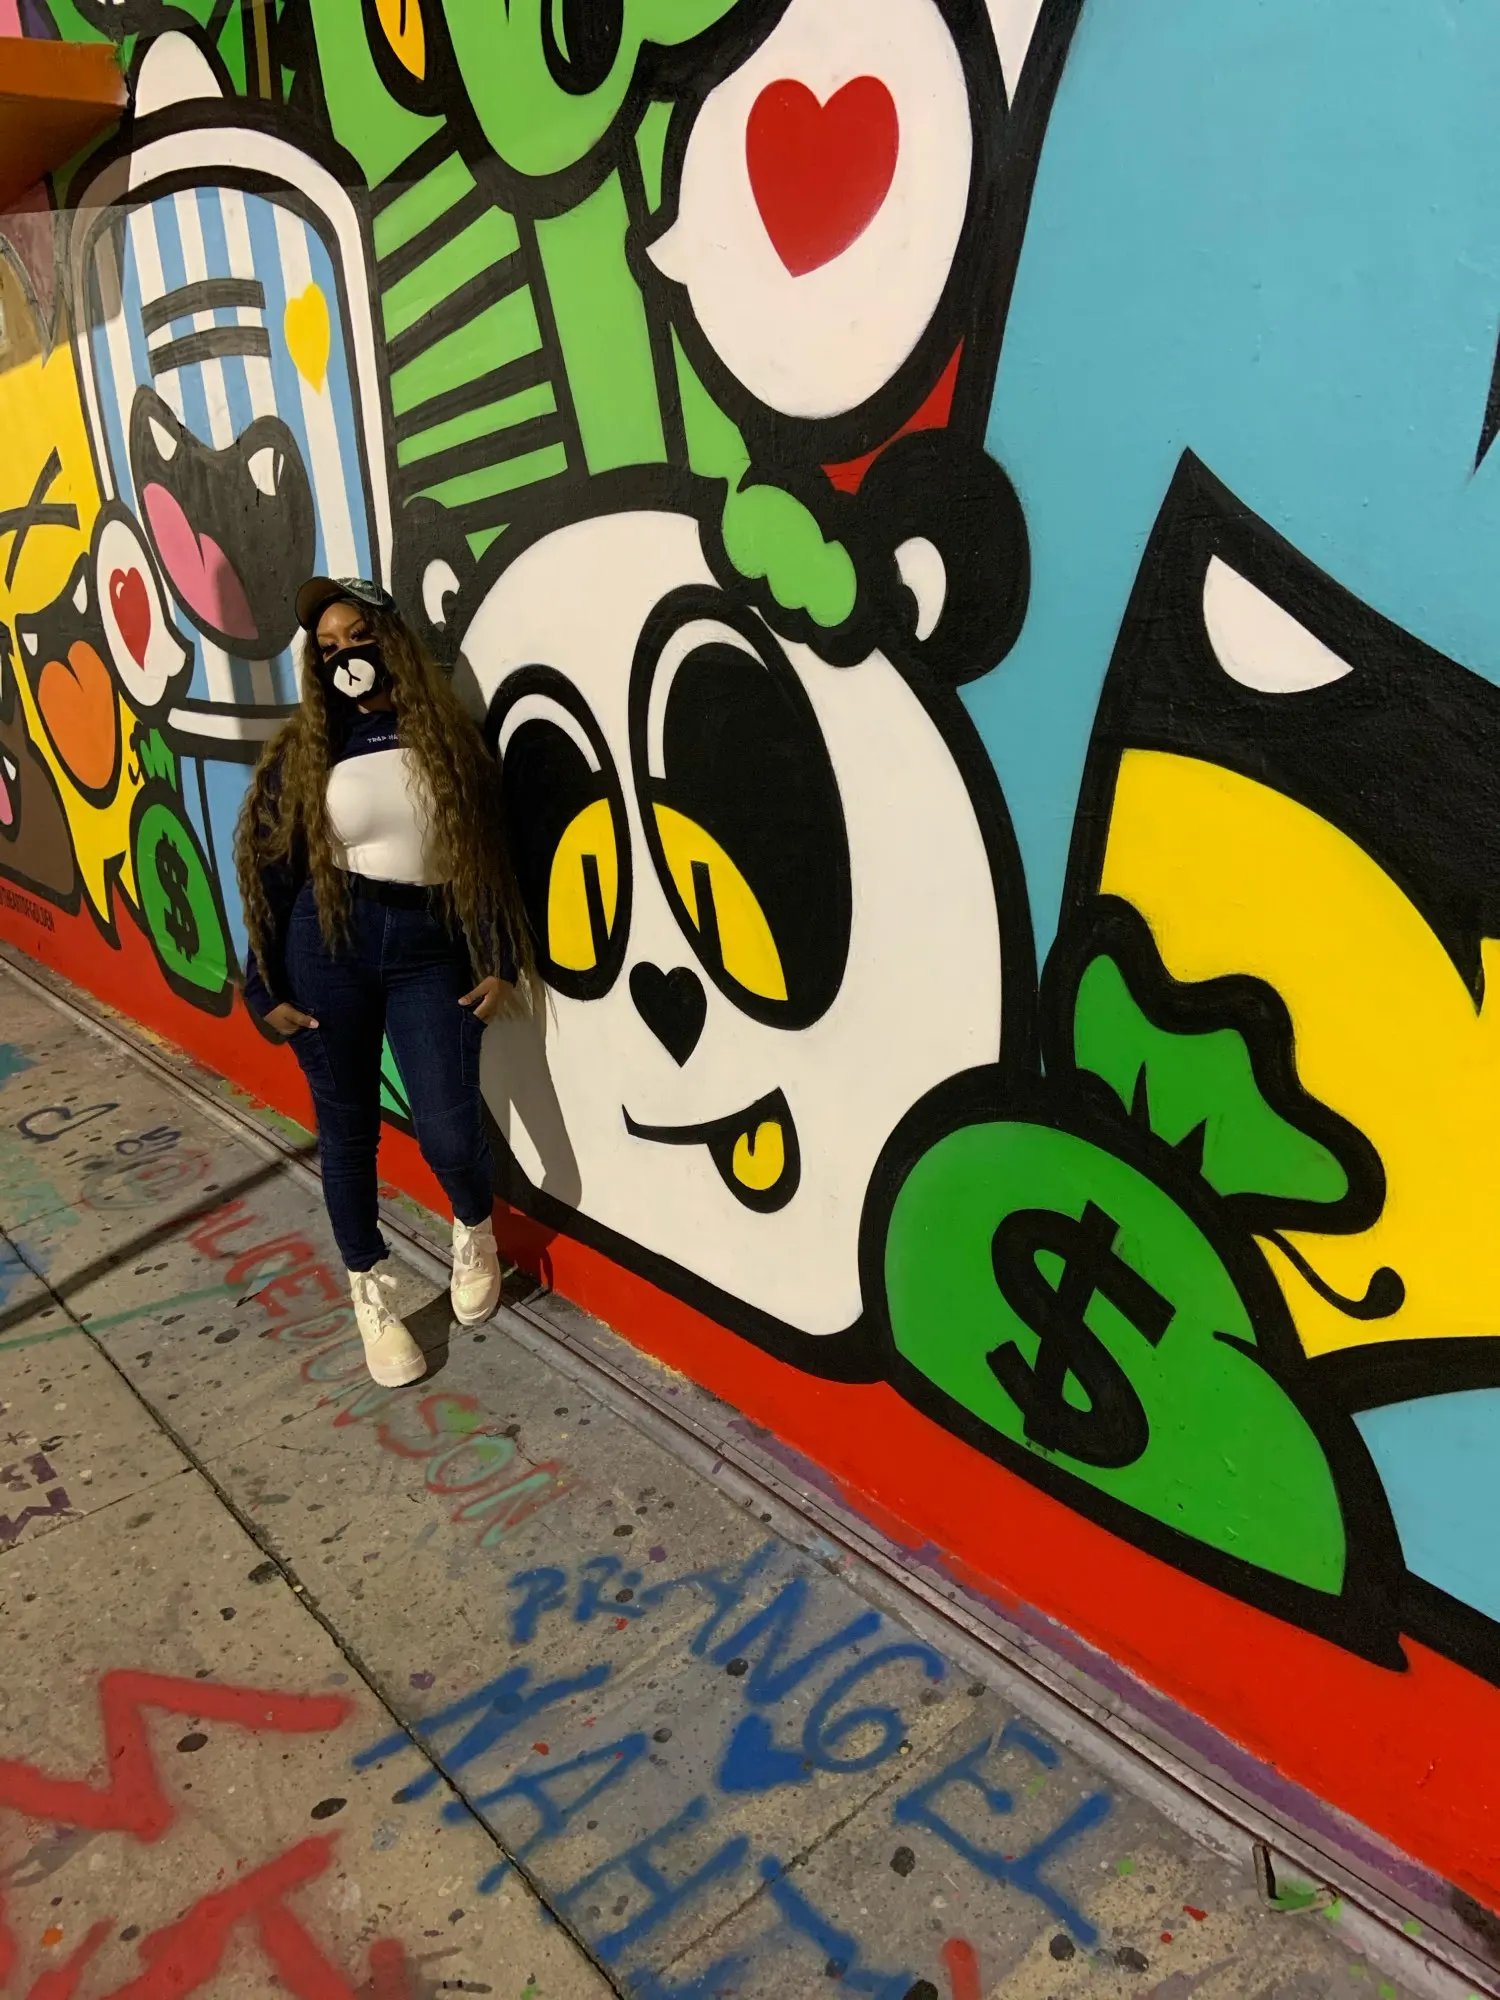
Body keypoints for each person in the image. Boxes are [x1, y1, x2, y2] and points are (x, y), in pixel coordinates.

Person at [235, 576, 531, 1388]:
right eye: (327, 647)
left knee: (446, 1127)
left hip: (428, 947)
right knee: (348, 1133)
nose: (344, 656)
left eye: (357, 637)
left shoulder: (449, 739)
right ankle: (370, 1289)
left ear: (390, 638)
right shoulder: (307, 749)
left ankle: (474, 1230)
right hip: (328, 942)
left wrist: (499, 957)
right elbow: (271, 868)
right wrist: (263, 986)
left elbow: (487, 855)